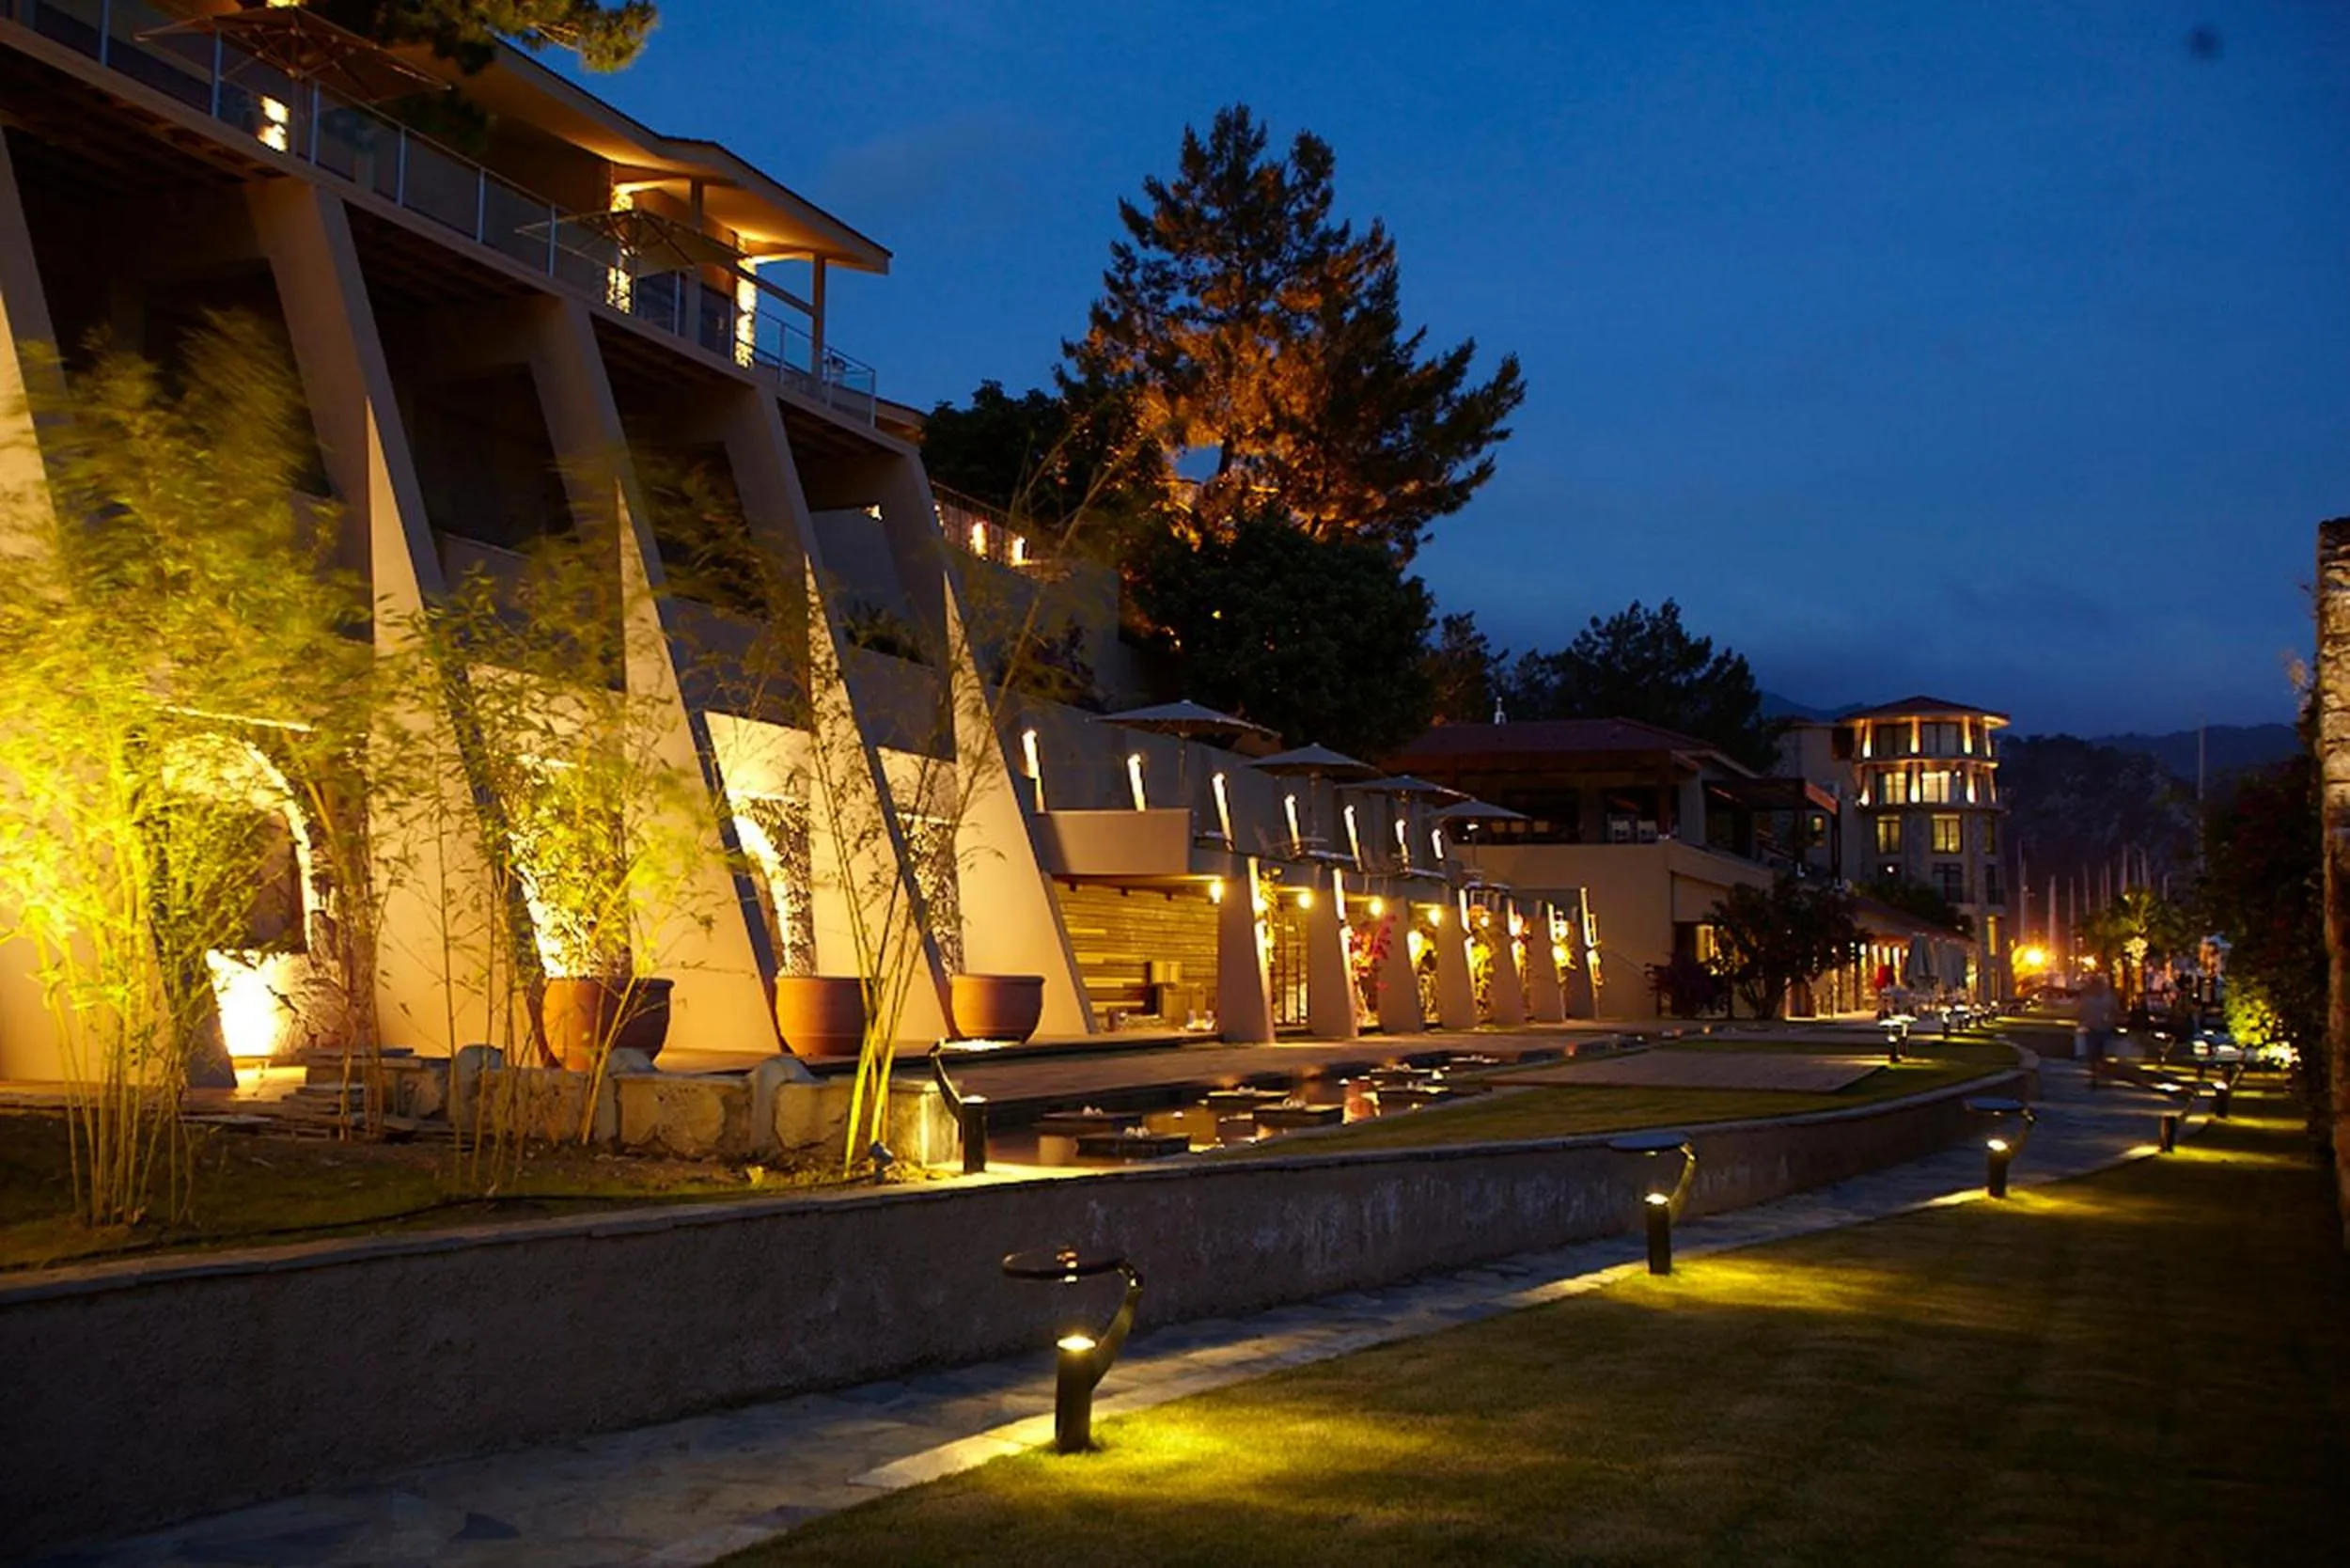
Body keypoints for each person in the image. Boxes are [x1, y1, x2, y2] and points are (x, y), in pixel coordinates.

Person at [2078, 971, 2119, 1086]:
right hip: (2099, 1027)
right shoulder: (2107, 997)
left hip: (2096, 1027)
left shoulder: (2091, 997)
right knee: (2099, 1052)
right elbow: (2115, 1010)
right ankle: (2098, 1073)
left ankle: (2097, 1073)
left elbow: (2081, 1011)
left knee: (2095, 1052)